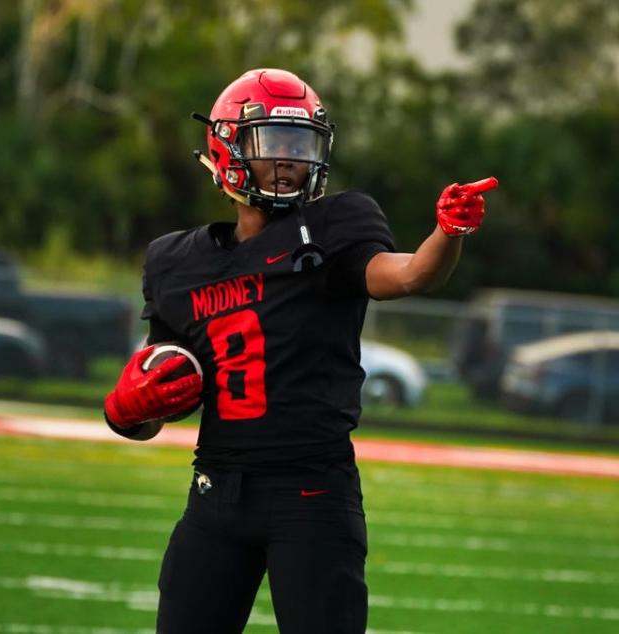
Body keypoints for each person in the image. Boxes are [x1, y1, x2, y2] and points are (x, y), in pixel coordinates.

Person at [103, 69, 498, 633]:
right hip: (215, 494)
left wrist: (448, 233)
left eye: (301, 145)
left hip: (312, 493)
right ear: (228, 149)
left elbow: (407, 275)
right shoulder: (174, 261)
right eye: (273, 144)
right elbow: (162, 396)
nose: (290, 160)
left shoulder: (336, 224)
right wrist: (125, 411)